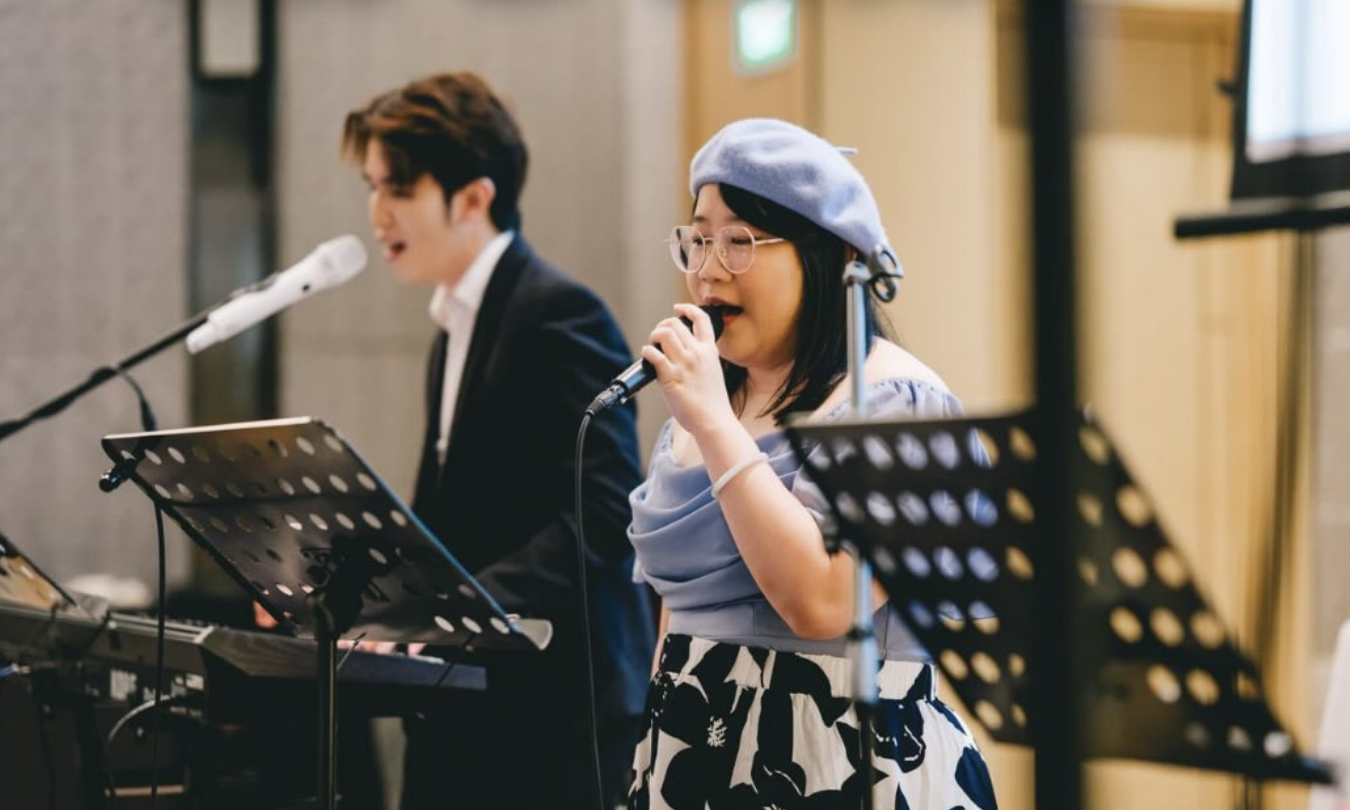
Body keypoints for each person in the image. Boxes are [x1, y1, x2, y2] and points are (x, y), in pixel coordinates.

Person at [626, 118, 998, 810]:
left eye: (739, 241)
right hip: (689, 746)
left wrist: (710, 422)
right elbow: (675, 615)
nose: (707, 268)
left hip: (839, 752)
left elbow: (822, 602)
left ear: (825, 258)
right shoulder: (707, 401)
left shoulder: (895, 399)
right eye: (699, 238)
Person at [341, 71, 654, 810]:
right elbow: (458, 519)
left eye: (399, 189)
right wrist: (355, 591)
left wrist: (453, 608)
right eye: (373, 185)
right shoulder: (456, 321)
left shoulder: (558, 312)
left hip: (552, 725)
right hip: (467, 706)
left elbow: (604, 516)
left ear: (474, 198)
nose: (376, 212)